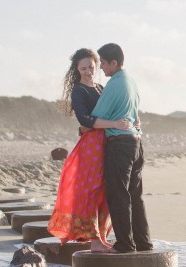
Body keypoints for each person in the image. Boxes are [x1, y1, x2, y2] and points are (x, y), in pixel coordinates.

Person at [48, 48, 131, 253]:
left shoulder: (102, 88)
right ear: (76, 70)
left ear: (97, 65)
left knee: (106, 190)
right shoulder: (79, 90)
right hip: (92, 146)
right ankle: (94, 240)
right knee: (92, 190)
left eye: (91, 67)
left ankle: (101, 236)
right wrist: (114, 124)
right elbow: (85, 120)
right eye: (83, 68)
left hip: (108, 143)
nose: (88, 71)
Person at [92, 43, 153, 253]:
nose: (101, 68)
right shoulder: (131, 82)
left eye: (103, 63)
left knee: (119, 194)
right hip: (136, 143)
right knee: (135, 196)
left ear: (114, 62)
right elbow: (136, 115)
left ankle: (125, 244)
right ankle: (143, 243)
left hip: (120, 145)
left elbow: (96, 116)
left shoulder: (115, 84)